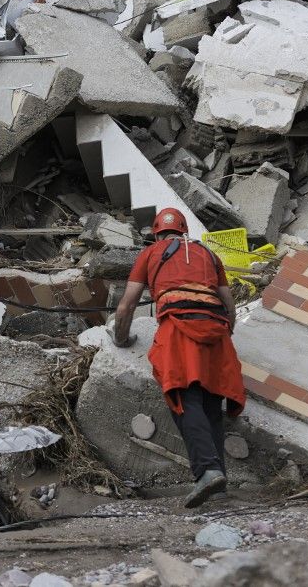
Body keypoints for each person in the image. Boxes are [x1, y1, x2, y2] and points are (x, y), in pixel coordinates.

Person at [111, 207, 246, 508]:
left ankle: (207, 472)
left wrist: (121, 338)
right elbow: (229, 304)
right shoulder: (209, 254)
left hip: (179, 328)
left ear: (156, 232)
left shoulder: (150, 254)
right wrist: (224, 334)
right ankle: (219, 483)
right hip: (216, 330)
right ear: (184, 231)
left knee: (184, 397)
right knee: (211, 400)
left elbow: (126, 306)